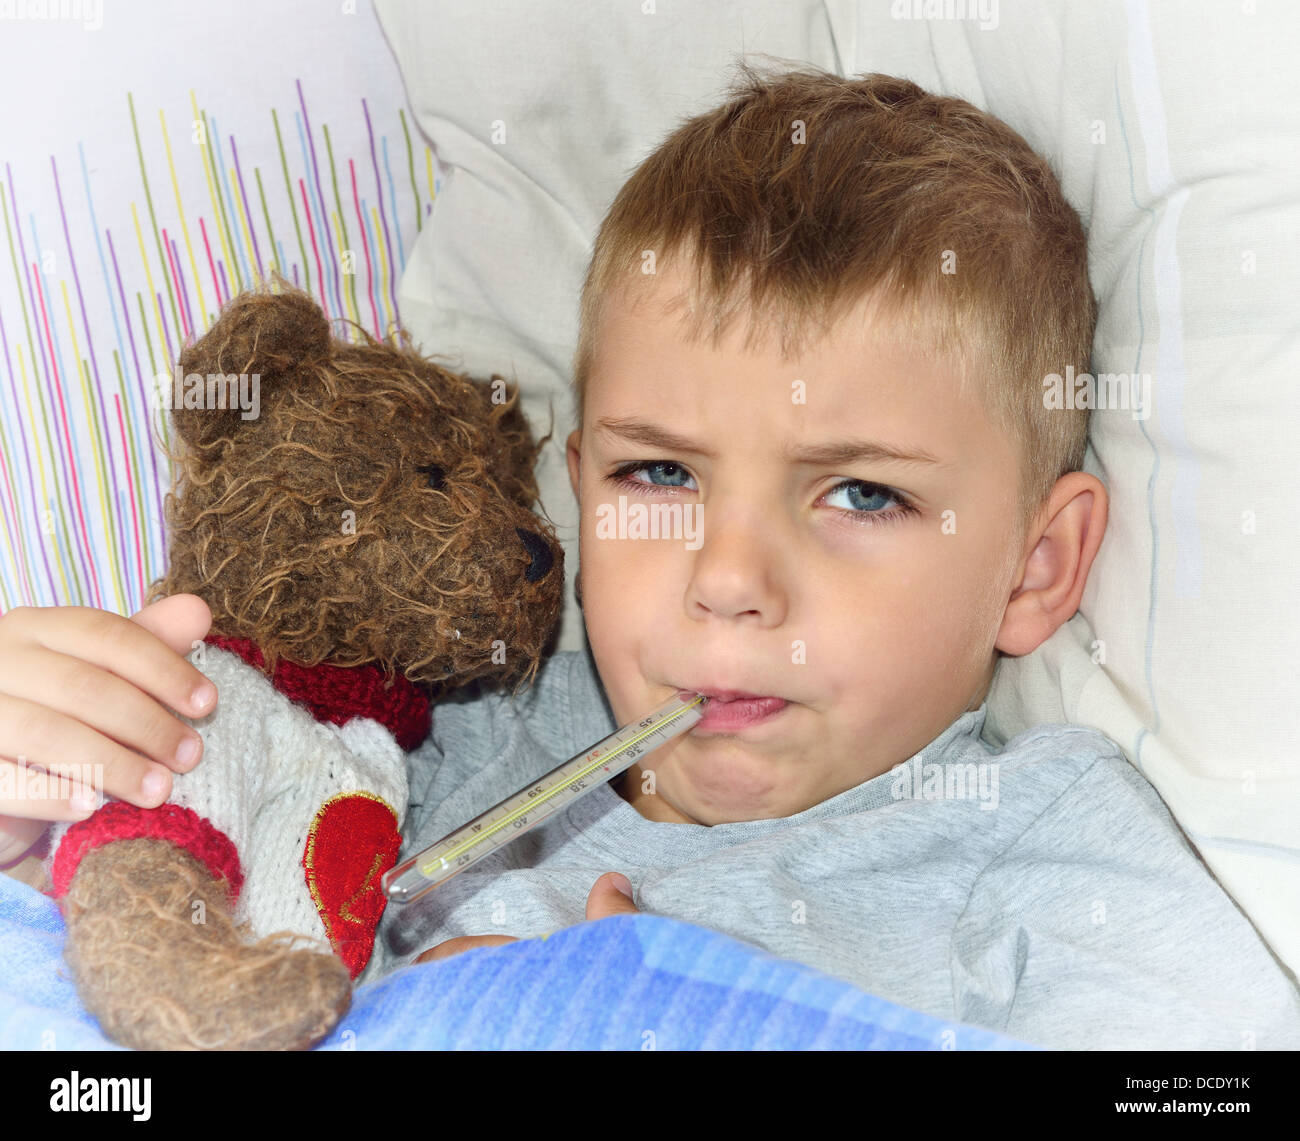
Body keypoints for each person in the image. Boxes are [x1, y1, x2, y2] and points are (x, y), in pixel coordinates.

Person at [2, 65, 1296, 1049]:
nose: (729, 577)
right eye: (660, 475)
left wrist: (668, 1010)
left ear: (1033, 567)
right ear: (571, 496)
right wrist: (34, 799)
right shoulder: (433, 733)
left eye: (858, 492)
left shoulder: (1043, 843)